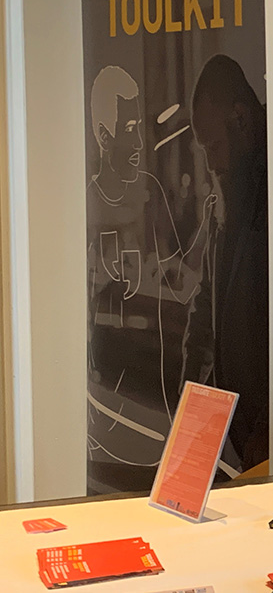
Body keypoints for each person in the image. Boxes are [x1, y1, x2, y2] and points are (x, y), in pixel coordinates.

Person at [86, 65, 214, 489]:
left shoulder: (151, 189)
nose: (140, 142)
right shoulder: (84, 204)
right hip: (107, 420)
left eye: (141, 127)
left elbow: (183, 276)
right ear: (104, 139)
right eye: (129, 129)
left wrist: (208, 229)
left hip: (159, 413)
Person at [183, 54, 269, 473]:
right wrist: (189, 415)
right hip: (237, 432)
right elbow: (208, 304)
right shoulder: (229, 191)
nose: (211, 162)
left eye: (213, 146)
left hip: (271, 431)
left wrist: (270, 425)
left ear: (241, 118)